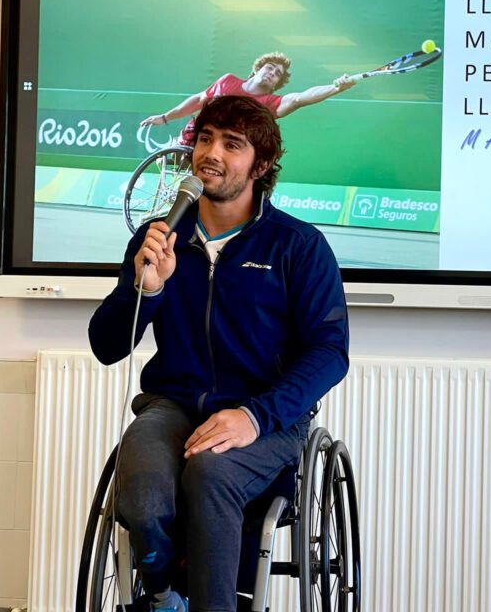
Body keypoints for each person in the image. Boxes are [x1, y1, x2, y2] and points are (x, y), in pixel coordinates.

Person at [89, 95, 349, 612]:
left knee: (210, 473)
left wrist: (255, 415)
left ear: (262, 164)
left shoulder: (297, 245)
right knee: (138, 496)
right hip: (173, 405)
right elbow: (106, 346)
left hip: (267, 418)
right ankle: (165, 597)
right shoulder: (158, 238)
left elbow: (330, 351)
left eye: (233, 144)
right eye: (205, 138)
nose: (212, 153)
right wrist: (149, 290)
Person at [139, 51, 356, 144]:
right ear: (257, 69)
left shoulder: (271, 104)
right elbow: (198, 100)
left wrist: (336, 87)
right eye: (270, 68)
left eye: (277, 74)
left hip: (225, 150)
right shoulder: (227, 81)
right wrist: (165, 117)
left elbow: (300, 98)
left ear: (276, 84)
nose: (272, 73)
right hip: (193, 138)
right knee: (169, 168)